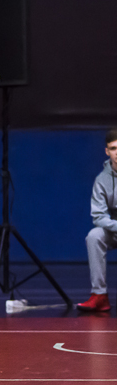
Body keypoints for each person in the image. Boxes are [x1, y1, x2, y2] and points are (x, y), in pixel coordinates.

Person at [77, 129, 117, 312]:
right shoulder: (101, 180)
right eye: (113, 148)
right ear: (107, 151)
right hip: (113, 230)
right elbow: (98, 217)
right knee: (94, 236)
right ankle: (100, 296)